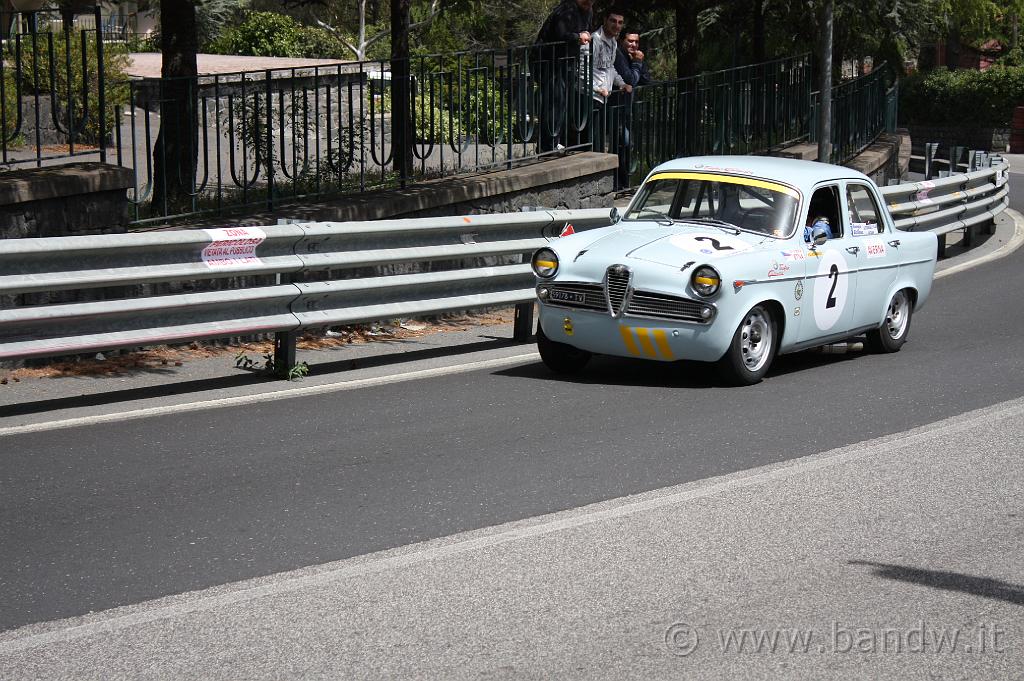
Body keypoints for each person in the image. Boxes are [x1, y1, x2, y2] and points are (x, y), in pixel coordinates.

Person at [533, 0, 594, 152]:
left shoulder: (587, 11)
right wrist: (577, 37)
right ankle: (547, 146)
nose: (589, 2)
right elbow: (561, 35)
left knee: (561, 103)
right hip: (548, 61)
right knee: (553, 102)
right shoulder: (565, 11)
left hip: (566, 63)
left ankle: (554, 141)